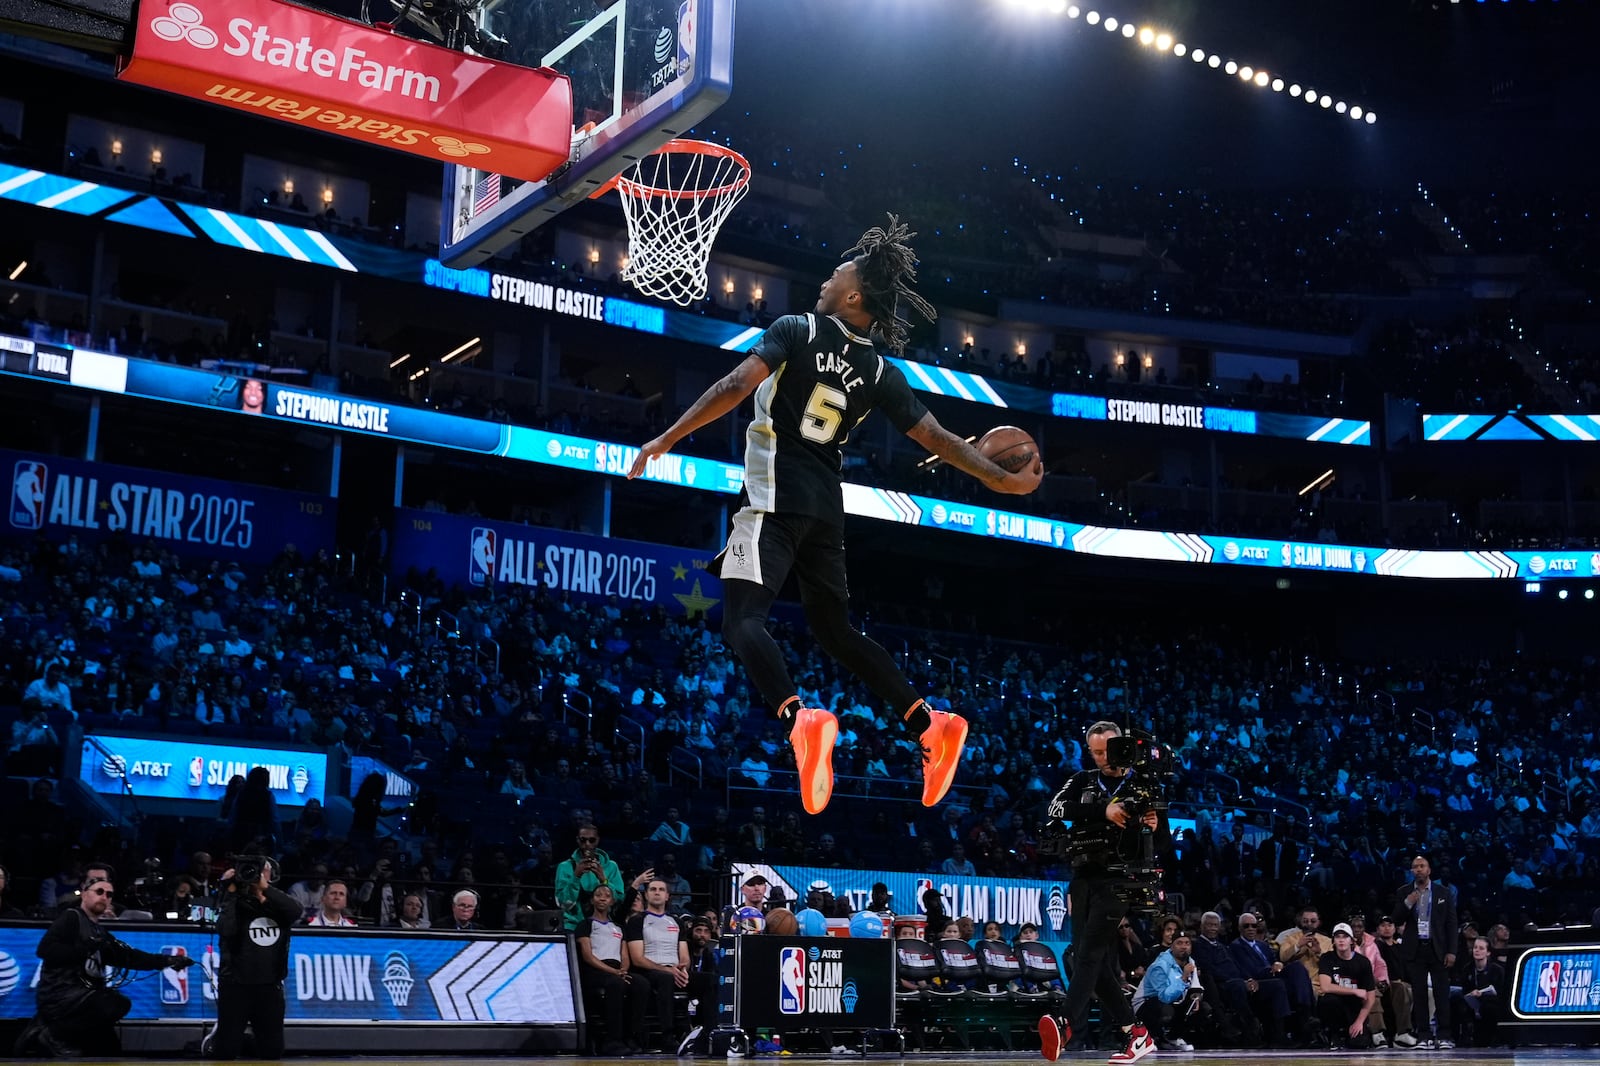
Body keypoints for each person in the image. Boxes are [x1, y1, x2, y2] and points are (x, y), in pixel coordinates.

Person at [626, 217, 1042, 815]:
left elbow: (736, 384)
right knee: (835, 631)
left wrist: (665, 438)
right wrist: (1001, 479)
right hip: (827, 510)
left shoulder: (796, 328)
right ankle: (928, 723)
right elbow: (942, 440)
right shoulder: (881, 373)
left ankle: (801, 719)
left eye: (838, 272)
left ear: (853, 295)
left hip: (773, 497)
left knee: (741, 620)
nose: (827, 277)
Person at [1037, 721, 1163, 1064]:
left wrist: (1155, 825)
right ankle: (1135, 1032)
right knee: (1085, 958)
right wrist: (1102, 810)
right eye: (1094, 752)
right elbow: (1055, 809)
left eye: (1106, 751)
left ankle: (1065, 1023)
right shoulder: (1081, 780)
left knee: (1091, 951)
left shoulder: (1140, 784)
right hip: (1082, 875)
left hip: (1120, 878)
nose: (1100, 758)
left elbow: (1161, 841)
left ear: (1122, 747)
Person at [16, 873, 195, 1057]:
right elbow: (45, 950)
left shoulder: (99, 931)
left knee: (111, 1050)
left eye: (109, 895)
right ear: (84, 894)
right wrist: (85, 948)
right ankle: (51, 1033)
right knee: (115, 1003)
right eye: (99, 891)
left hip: (84, 999)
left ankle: (54, 1032)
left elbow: (128, 956)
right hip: (62, 996)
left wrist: (167, 961)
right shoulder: (71, 918)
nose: (104, 897)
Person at [211, 857, 301, 1060]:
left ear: (271, 876)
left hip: (269, 986)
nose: (255, 875)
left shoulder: (279, 907)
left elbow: (296, 910)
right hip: (235, 985)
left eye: (262, 871)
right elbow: (226, 929)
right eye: (250, 870)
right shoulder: (234, 902)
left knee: (272, 1051)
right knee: (226, 1051)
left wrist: (265, 890)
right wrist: (230, 892)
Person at [1390, 853, 1457, 1049]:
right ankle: (1424, 1036)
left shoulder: (1443, 892)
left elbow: (1451, 924)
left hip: (1438, 950)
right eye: (1415, 866)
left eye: (1422, 866)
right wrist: (1408, 903)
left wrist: (1452, 951)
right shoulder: (1404, 892)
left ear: (1429, 870)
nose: (1418, 869)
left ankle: (1445, 1035)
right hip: (1415, 950)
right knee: (1419, 995)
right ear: (1411, 871)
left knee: (1441, 994)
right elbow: (1396, 919)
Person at [575, 884, 642, 1053]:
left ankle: (631, 1037)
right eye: (598, 895)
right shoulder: (585, 925)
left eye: (606, 895)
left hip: (618, 970)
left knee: (642, 984)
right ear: (592, 900)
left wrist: (623, 970)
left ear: (612, 901)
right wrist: (614, 972)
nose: (602, 898)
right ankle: (612, 1041)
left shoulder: (618, 927)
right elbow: (588, 956)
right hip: (596, 970)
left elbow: (624, 954)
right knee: (616, 984)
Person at [625, 878, 690, 1052]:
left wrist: (683, 969)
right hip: (648, 970)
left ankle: (707, 1035)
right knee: (666, 979)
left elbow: (684, 955)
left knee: (710, 981)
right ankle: (667, 1038)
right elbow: (638, 959)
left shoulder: (677, 922)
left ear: (667, 896)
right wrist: (669, 971)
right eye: (652, 889)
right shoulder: (637, 920)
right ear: (646, 895)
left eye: (661, 889)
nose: (657, 892)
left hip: (674, 970)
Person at [1316, 923, 1379, 1049]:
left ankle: (1353, 1033)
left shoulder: (1362, 962)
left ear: (1351, 940)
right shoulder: (1327, 958)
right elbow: (1325, 987)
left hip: (1354, 1007)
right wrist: (1354, 991)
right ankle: (1334, 1033)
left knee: (1359, 1043)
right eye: (1338, 937)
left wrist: (1359, 1022)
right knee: (1328, 1000)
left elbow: (1371, 996)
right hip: (1336, 1005)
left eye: (1345, 937)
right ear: (1333, 941)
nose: (1341, 940)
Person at [555, 824, 626, 930]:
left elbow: (619, 900)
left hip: (603, 926)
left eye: (592, 840)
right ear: (577, 840)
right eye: (583, 840)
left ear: (597, 840)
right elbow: (564, 903)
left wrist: (603, 880)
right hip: (573, 927)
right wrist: (576, 876)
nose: (587, 844)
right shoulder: (565, 867)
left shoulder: (611, 866)